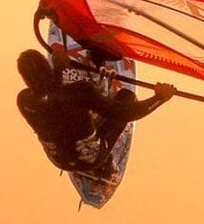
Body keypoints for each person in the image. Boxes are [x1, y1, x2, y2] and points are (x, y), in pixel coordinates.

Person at [16, 49, 176, 173]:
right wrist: (160, 98)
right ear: (48, 67)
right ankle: (104, 167)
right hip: (93, 159)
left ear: (26, 81)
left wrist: (59, 70)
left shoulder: (24, 101)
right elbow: (126, 113)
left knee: (67, 116)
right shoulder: (80, 91)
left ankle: (95, 115)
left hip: (59, 160)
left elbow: (51, 100)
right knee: (126, 97)